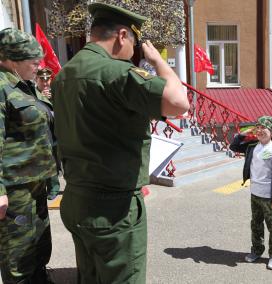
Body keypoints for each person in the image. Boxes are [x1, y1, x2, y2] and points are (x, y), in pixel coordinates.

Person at [51, 3, 189, 283]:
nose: (134, 52)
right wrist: (159, 61)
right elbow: (179, 103)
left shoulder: (64, 74)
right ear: (122, 35)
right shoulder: (116, 72)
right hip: (113, 209)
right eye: (135, 44)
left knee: (90, 276)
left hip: (77, 198)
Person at [0, 28, 57, 283]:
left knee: (39, 244)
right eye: (32, 62)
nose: (38, 66)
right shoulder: (2, 88)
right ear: (11, 61)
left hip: (36, 182)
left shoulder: (25, 86)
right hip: (14, 189)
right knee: (18, 253)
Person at [230, 116, 272, 270]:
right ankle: (257, 250)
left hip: (270, 197)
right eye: (258, 127)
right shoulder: (252, 146)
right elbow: (233, 146)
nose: (260, 131)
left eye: (264, 128)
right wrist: (244, 133)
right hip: (255, 193)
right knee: (255, 224)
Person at [35, 67, 61, 200]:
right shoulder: (32, 92)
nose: (45, 83)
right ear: (37, 79)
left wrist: (53, 99)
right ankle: (50, 189)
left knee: (56, 161)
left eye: (47, 80)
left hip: (56, 131)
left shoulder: (56, 92)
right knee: (46, 161)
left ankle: (54, 188)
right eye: (42, 80)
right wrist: (41, 98)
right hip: (42, 133)